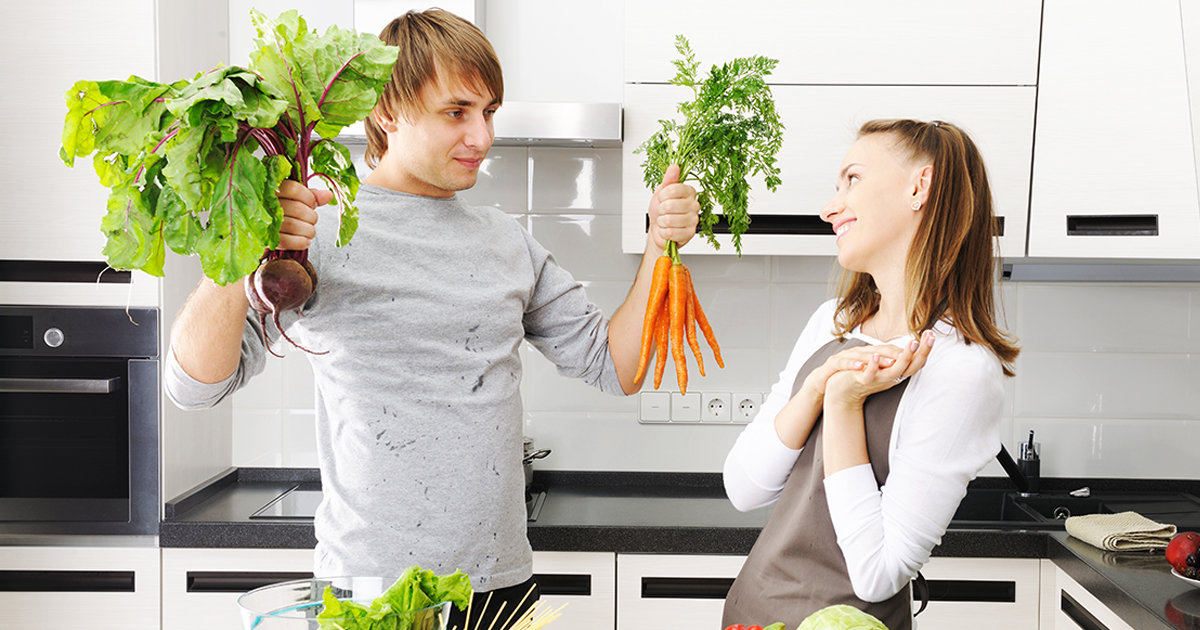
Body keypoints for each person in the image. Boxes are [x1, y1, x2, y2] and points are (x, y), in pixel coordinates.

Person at [164, 9, 699, 629]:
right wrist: (237, 246)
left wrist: (660, 243)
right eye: (456, 112)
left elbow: (619, 367)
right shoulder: (317, 233)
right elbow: (193, 387)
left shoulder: (508, 243)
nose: (481, 137)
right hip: (370, 590)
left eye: (489, 112)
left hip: (499, 588)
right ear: (389, 111)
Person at [721, 119, 1019, 630]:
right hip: (751, 614)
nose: (829, 208)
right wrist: (816, 387)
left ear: (919, 187)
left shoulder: (962, 368)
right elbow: (743, 489)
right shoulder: (832, 322)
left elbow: (878, 574)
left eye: (852, 179)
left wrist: (842, 404)